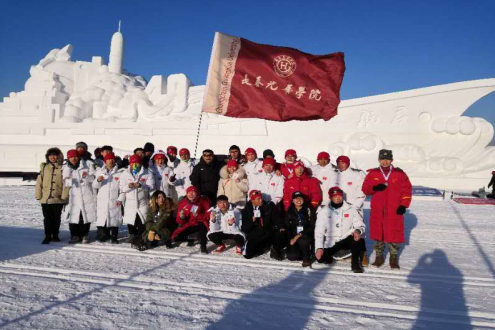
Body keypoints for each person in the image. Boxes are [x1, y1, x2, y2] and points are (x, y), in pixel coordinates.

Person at [362, 149, 412, 269]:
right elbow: (365, 189)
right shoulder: (373, 173)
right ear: (379, 160)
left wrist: (403, 205)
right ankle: (379, 257)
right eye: (382, 159)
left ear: (391, 160)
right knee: (378, 232)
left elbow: (407, 190)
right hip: (378, 209)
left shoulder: (399, 174)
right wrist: (375, 187)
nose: (385, 162)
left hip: (394, 209)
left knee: (394, 232)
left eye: (387, 159)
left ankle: (393, 258)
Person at [315, 187, 366, 273]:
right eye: (335, 196)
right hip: (331, 242)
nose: (338, 198)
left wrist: (358, 230)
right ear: (330, 198)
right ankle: (332, 255)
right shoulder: (323, 211)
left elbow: (360, 225)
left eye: (340, 196)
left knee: (357, 238)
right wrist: (319, 248)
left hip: (345, 239)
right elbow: (319, 231)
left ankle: (355, 264)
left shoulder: (351, 209)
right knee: (321, 260)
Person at [333, 155, 369, 266]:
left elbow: (362, 190)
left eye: (343, 163)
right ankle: (343, 251)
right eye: (338, 163)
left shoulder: (357, 174)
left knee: (358, 230)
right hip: (339, 207)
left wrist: (355, 206)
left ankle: (362, 255)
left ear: (348, 163)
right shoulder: (335, 174)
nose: (341, 165)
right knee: (341, 229)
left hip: (354, 207)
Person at [119, 154, 155, 249]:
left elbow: (152, 187)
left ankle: (141, 239)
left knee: (142, 221)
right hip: (130, 202)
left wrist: (141, 186)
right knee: (131, 221)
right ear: (130, 163)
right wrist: (129, 186)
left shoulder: (147, 173)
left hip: (142, 202)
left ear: (140, 163)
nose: (135, 164)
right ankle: (133, 238)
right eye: (133, 162)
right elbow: (122, 188)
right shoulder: (124, 174)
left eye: (137, 162)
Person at [62, 149, 97, 244]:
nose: (73, 159)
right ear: (68, 158)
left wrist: (87, 176)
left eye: (75, 156)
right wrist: (68, 179)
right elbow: (65, 183)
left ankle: (85, 234)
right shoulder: (66, 168)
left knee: (85, 215)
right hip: (73, 196)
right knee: (73, 216)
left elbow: (94, 179)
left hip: (86, 194)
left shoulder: (87, 165)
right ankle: (75, 235)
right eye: (71, 157)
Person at [241, 190, 285, 260]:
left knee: (280, 234)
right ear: (252, 200)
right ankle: (262, 246)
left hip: (268, 230)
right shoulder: (247, 209)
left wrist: (281, 227)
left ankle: (274, 248)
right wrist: (252, 221)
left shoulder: (269, 206)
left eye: (261, 198)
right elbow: (244, 228)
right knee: (247, 255)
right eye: (258, 199)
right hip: (255, 233)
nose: (261, 200)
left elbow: (277, 219)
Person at [35, 147, 66, 244]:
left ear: (58, 156)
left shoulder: (63, 168)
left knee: (57, 217)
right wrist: (38, 194)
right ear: (47, 157)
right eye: (50, 155)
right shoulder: (44, 167)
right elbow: (39, 181)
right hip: (46, 198)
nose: (52, 157)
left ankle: (55, 235)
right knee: (47, 218)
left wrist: (64, 196)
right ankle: (48, 235)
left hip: (58, 197)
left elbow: (66, 183)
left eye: (54, 155)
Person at [92, 152, 123, 244]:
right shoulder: (99, 172)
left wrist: (120, 199)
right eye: (108, 159)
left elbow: (122, 188)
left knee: (114, 217)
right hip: (102, 200)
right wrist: (98, 180)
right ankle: (103, 234)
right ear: (105, 161)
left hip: (114, 199)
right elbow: (94, 186)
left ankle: (114, 236)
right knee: (102, 217)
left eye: (112, 159)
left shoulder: (119, 173)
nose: (110, 161)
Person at [172, 186, 211, 254]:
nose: (191, 194)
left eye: (193, 192)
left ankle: (203, 246)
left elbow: (209, 215)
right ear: (186, 194)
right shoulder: (183, 203)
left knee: (202, 227)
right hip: (189, 225)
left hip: (201, 223)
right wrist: (182, 217)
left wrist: (199, 216)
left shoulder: (203, 201)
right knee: (176, 237)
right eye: (189, 192)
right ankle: (193, 237)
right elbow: (179, 221)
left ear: (196, 193)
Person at [284, 192, 316, 267]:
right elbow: (288, 226)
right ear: (293, 200)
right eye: (296, 198)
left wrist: (298, 235)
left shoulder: (309, 209)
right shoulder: (289, 211)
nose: (298, 200)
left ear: (303, 200)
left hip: (306, 234)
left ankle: (306, 259)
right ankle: (301, 253)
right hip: (294, 235)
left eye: (300, 198)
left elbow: (312, 225)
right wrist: (290, 239)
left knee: (303, 240)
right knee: (292, 256)